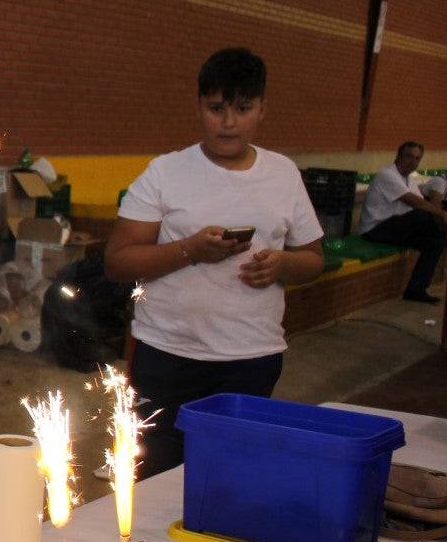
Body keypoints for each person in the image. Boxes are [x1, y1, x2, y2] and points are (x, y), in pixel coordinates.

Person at [105, 47, 325, 479]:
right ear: (199, 107)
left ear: (263, 109)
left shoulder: (283, 175)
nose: (228, 122)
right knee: (156, 476)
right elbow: (117, 261)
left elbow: (314, 259)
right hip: (168, 355)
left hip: (250, 357)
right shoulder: (165, 172)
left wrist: (282, 265)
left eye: (243, 109)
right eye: (216, 108)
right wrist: (189, 250)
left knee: (233, 478)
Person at [358, 141, 447, 304]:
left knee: (436, 242)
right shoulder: (387, 175)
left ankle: (416, 290)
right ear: (398, 156)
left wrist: (442, 219)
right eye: (409, 156)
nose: (413, 161)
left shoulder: (410, 182)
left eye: (417, 158)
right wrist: (443, 216)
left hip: (397, 230)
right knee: (422, 215)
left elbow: (423, 206)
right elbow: (413, 202)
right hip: (375, 229)